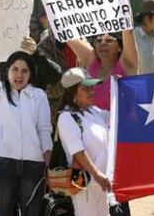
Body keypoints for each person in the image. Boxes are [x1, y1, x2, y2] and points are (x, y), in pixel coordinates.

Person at [0, 30, 52, 215]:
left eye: (24, 70)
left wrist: (48, 162)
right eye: (15, 69)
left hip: (34, 164)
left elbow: (44, 129)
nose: (19, 74)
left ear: (30, 73)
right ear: (8, 71)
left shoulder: (39, 96)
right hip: (4, 164)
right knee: (2, 211)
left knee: (32, 211)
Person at [67, 0, 138, 111]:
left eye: (109, 41)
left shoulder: (127, 64)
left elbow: (128, 30)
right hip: (95, 129)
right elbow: (67, 33)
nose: (102, 44)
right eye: (98, 41)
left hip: (122, 129)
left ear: (119, 47)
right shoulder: (90, 61)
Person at [57, 67, 111, 216]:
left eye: (92, 86)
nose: (91, 90)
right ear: (72, 91)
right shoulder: (66, 117)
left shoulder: (93, 112)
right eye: (86, 88)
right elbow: (78, 152)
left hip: (102, 183)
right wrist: (97, 175)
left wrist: (121, 86)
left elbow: (117, 115)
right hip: (85, 184)